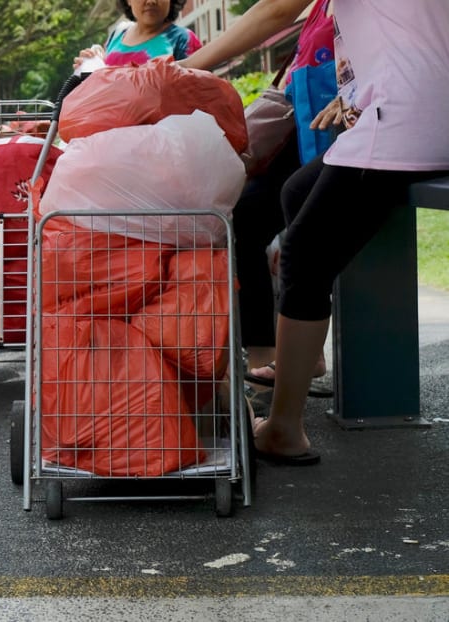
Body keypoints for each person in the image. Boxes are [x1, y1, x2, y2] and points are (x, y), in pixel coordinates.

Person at [185, 0, 449, 463]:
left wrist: (183, 68)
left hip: (402, 123)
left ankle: (284, 428)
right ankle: (305, 354)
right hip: (419, 115)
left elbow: (276, 9)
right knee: (297, 190)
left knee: (305, 253)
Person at [182, 0, 335, 398]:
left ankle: (288, 376)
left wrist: (188, 64)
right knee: (258, 218)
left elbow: (275, 9)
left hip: (342, 119)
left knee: (296, 236)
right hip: (313, 115)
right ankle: (273, 359)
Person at [73, 0, 201, 70]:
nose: (151, 1)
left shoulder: (183, 39)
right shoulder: (117, 34)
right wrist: (88, 65)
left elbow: (197, 93)